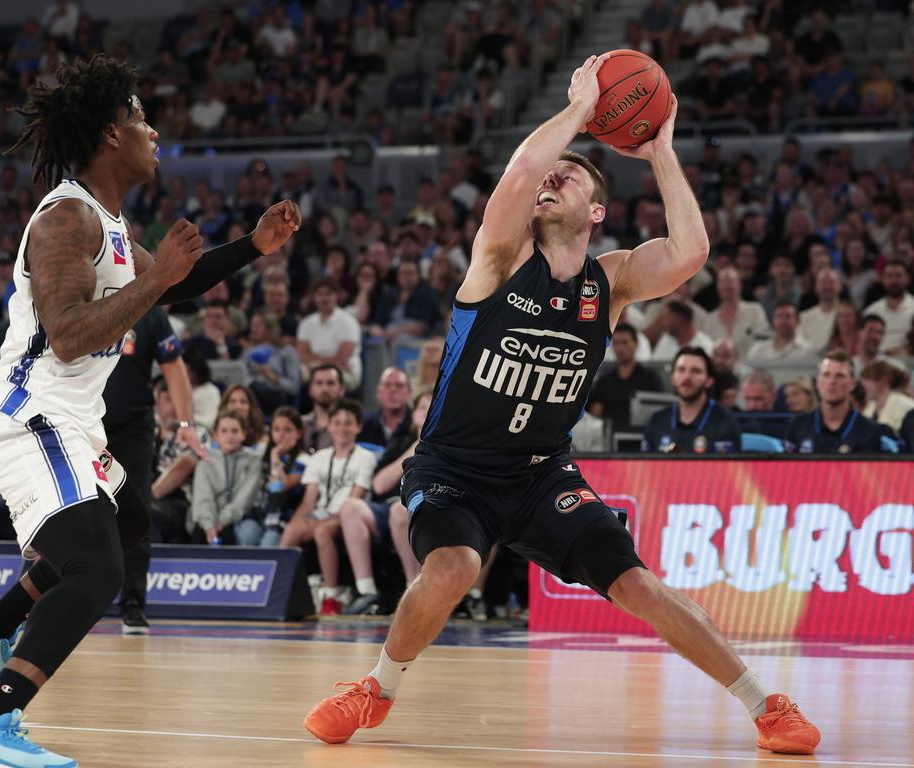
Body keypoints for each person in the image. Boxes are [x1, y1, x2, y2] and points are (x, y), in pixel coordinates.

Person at [304, 56, 819, 755]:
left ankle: (766, 706)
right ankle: (377, 688)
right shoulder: (500, 258)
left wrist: (662, 153)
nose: (550, 180)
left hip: (543, 473)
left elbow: (692, 251)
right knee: (453, 568)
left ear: (597, 211)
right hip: (455, 467)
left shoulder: (613, 280)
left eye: (569, 177)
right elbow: (518, 175)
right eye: (550, 174)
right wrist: (578, 108)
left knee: (639, 584)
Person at [0, 56, 300, 767]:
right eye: (140, 118)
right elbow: (69, 333)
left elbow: (170, 288)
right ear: (109, 134)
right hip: (29, 416)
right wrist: (157, 275)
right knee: (97, 570)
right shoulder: (65, 218)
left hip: (69, 423)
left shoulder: (107, 221)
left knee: (131, 520)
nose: (153, 130)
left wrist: (252, 248)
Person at [103, 306, 206, 634]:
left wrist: (186, 421)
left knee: (135, 514)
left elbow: (174, 368)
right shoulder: (80, 296)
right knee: (66, 507)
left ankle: (133, 604)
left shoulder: (149, 311)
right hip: (81, 422)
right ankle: (31, 601)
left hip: (134, 426)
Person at [339, 388, 433, 615]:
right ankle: (366, 591)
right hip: (391, 504)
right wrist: (415, 448)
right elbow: (379, 485)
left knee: (400, 512)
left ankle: (415, 591)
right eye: (421, 407)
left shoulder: (449, 445)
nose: (427, 412)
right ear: (413, 416)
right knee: (351, 507)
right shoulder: (401, 441)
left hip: (431, 508)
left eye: (432, 407)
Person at [280, 399, 377, 614]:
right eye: (337, 422)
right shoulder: (319, 458)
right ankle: (279, 590)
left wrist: (319, 522)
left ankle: (330, 596)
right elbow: (308, 500)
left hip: (347, 517)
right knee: (291, 530)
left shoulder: (365, 458)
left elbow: (357, 496)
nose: (342, 428)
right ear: (329, 426)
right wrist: (298, 524)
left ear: (358, 427)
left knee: (322, 530)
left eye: (348, 423)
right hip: (320, 514)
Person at [643, 347, 742, 453]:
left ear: (709, 381)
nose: (687, 377)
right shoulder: (657, 421)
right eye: (681, 370)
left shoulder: (724, 421)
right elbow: (645, 467)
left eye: (695, 371)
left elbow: (726, 468)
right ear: (672, 378)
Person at [785, 350, 882, 454]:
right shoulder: (798, 425)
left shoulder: (868, 431)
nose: (832, 381)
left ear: (852, 384)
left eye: (840, 376)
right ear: (817, 382)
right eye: (826, 375)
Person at [190, 412, 264, 544]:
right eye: (224, 431)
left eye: (235, 431)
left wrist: (221, 522)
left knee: (248, 533)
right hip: (209, 521)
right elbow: (203, 498)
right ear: (216, 436)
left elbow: (244, 500)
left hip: (241, 519)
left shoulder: (254, 461)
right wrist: (209, 526)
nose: (229, 436)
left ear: (243, 434)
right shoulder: (206, 462)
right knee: (199, 533)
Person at [587, 323, 664, 431]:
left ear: (636, 344)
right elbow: (595, 413)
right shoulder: (604, 381)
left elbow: (659, 411)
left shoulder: (650, 378)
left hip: (642, 435)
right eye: (617, 343)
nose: (621, 348)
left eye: (625, 342)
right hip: (609, 438)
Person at [297, 277, 363, 390]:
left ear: (336, 295)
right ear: (314, 297)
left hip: (345, 371)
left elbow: (342, 358)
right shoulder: (306, 323)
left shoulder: (348, 321)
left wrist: (315, 360)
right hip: (312, 368)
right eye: (319, 294)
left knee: (328, 378)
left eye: (328, 294)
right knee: (296, 375)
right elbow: (302, 356)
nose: (324, 298)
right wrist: (325, 361)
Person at [256, 406, 308, 547]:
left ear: (298, 433)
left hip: (285, 518)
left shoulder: (304, 459)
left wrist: (275, 456)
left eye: (287, 430)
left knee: (268, 543)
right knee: (246, 533)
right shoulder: (262, 457)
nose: (281, 435)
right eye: (276, 429)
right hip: (261, 514)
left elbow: (280, 486)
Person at [243, 307, 302, 413]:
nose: (253, 329)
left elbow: (294, 388)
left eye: (258, 325)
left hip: (275, 398)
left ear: (270, 327)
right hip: (249, 396)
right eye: (252, 324)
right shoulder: (248, 353)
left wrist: (273, 377)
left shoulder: (286, 351)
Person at [863, 260, 914, 354]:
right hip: (878, 363)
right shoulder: (871, 311)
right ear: (882, 279)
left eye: (898, 275)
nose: (894, 281)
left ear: (908, 278)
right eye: (889, 276)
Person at [357, 367, 412, 448]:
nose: (393, 390)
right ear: (378, 392)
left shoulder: (419, 426)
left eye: (399, 385)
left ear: (409, 393)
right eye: (387, 385)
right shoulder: (363, 424)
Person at [745, 301, 814, 364]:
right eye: (779, 316)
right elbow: (746, 371)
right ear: (773, 320)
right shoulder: (758, 348)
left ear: (798, 321)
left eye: (788, 316)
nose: (783, 321)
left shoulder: (807, 351)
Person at [860, 361, 914, 434]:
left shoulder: (906, 406)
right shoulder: (870, 407)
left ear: (883, 380)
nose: (864, 385)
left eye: (868, 379)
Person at [301, 363, 346, 451]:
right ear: (310, 390)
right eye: (319, 383)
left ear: (341, 390)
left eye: (330, 383)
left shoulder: (349, 428)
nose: (324, 389)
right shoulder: (299, 424)